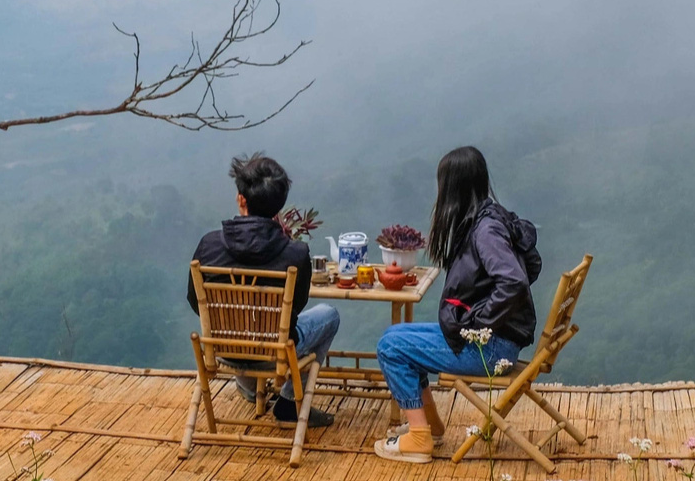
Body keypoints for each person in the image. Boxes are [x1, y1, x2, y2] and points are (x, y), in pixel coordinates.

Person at [372, 146, 542, 463]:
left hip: (490, 349)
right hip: (498, 340)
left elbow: (514, 281)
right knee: (396, 335)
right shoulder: (490, 218)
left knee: (391, 347)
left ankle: (419, 440)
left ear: (452, 187)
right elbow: (529, 267)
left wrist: (477, 322)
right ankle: (428, 427)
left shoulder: (485, 229)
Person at [187, 153, 341, 427]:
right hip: (275, 352)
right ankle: (290, 402)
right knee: (328, 315)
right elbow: (297, 306)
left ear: (241, 199)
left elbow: (194, 301)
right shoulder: (295, 252)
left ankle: (248, 388)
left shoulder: (208, 246)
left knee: (238, 322)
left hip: (223, 348)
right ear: (279, 206)